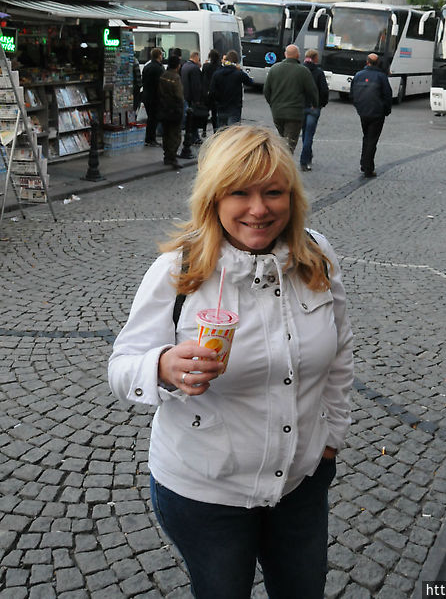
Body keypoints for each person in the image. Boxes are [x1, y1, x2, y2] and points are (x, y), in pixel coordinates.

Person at [108, 125, 353, 599]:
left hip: (300, 484)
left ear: (292, 196)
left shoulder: (316, 256)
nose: (259, 209)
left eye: (274, 192)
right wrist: (162, 367)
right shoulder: (180, 269)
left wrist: (331, 441)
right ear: (214, 198)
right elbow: (121, 366)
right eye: (240, 192)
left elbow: (340, 353)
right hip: (206, 494)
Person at [264, 44, 318, 154]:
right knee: (289, 145)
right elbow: (312, 91)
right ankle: (282, 167)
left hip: (277, 112)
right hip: (294, 113)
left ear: (285, 54)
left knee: (283, 140)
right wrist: (315, 104)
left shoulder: (274, 69)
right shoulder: (303, 71)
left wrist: (273, 104)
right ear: (298, 55)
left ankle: (280, 163)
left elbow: (266, 90)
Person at [350, 52, 392, 178]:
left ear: (367, 62)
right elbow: (387, 95)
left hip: (363, 112)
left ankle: (364, 163)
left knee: (366, 137)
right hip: (377, 113)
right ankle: (368, 167)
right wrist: (386, 110)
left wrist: (359, 107)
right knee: (372, 140)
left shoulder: (358, 75)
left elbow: (352, 94)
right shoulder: (381, 77)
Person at [299, 48, 329, 172]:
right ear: (315, 58)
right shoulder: (318, 72)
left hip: (300, 106)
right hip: (313, 106)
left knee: (304, 133)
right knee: (309, 135)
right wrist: (321, 104)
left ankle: (307, 157)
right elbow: (324, 90)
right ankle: (305, 160)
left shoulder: (299, 70)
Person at [209, 50, 253, 128]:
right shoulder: (238, 74)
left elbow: (212, 91)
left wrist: (216, 101)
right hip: (234, 107)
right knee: (232, 132)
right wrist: (240, 70)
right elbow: (250, 82)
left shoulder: (217, 73)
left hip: (221, 106)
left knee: (221, 132)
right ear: (236, 61)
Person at [157, 54, 184, 168]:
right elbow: (179, 95)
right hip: (174, 109)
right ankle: (172, 157)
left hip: (164, 108)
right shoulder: (175, 78)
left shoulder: (163, 75)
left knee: (166, 133)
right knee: (175, 135)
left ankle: (167, 155)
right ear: (177, 66)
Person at [180, 52, 207, 159]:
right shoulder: (194, 69)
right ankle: (194, 138)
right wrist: (197, 100)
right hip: (192, 98)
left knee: (190, 119)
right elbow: (196, 85)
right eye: (199, 59)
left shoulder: (185, 66)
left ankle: (194, 137)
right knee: (193, 119)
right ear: (196, 58)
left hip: (185, 95)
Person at [142, 47, 164, 146]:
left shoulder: (147, 66)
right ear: (159, 55)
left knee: (151, 118)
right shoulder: (159, 68)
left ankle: (149, 138)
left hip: (146, 95)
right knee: (153, 118)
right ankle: (151, 139)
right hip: (155, 97)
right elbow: (160, 84)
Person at [202, 49, 222, 135]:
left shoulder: (206, 66)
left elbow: (202, 76)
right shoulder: (220, 67)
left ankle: (204, 130)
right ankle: (215, 130)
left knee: (205, 112)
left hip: (207, 91)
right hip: (216, 92)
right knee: (215, 113)